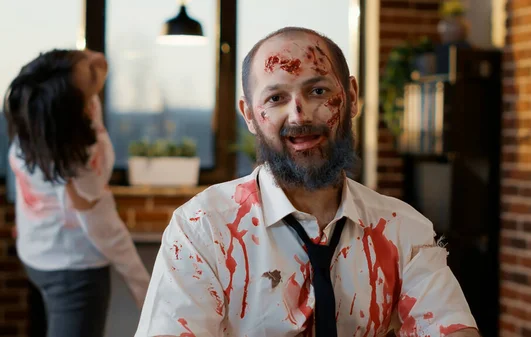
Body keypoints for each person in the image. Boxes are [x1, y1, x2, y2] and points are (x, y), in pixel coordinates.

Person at [135, 27, 480, 337]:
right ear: (250, 116)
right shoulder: (203, 229)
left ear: (352, 96)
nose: (299, 115)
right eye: (275, 98)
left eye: (317, 90)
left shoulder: (403, 230)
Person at [4, 49, 150, 337]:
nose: (97, 60)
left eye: (81, 55)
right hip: (73, 273)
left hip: (37, 252)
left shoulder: (36, 122)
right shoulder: (80, 163)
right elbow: (104, 228)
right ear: (78, 110)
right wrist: (145, 289)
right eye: (91, 73)